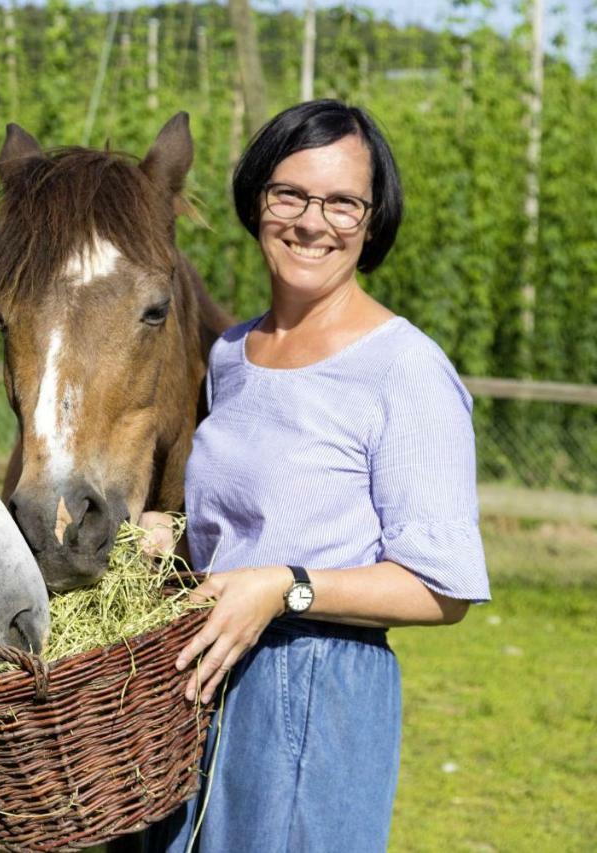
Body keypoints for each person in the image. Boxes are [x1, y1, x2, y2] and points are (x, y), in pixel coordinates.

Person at [137, 100, 491, 853]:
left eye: (342, 202)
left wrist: (285, 586)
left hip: (315, 684)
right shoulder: (231, 354)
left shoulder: (403, 370)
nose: (311, 221)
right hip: (198, 674)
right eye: (289, 193)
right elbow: (243, 526)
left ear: (372, 220)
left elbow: (444, 586)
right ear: (257, 200)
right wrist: (170, 535)